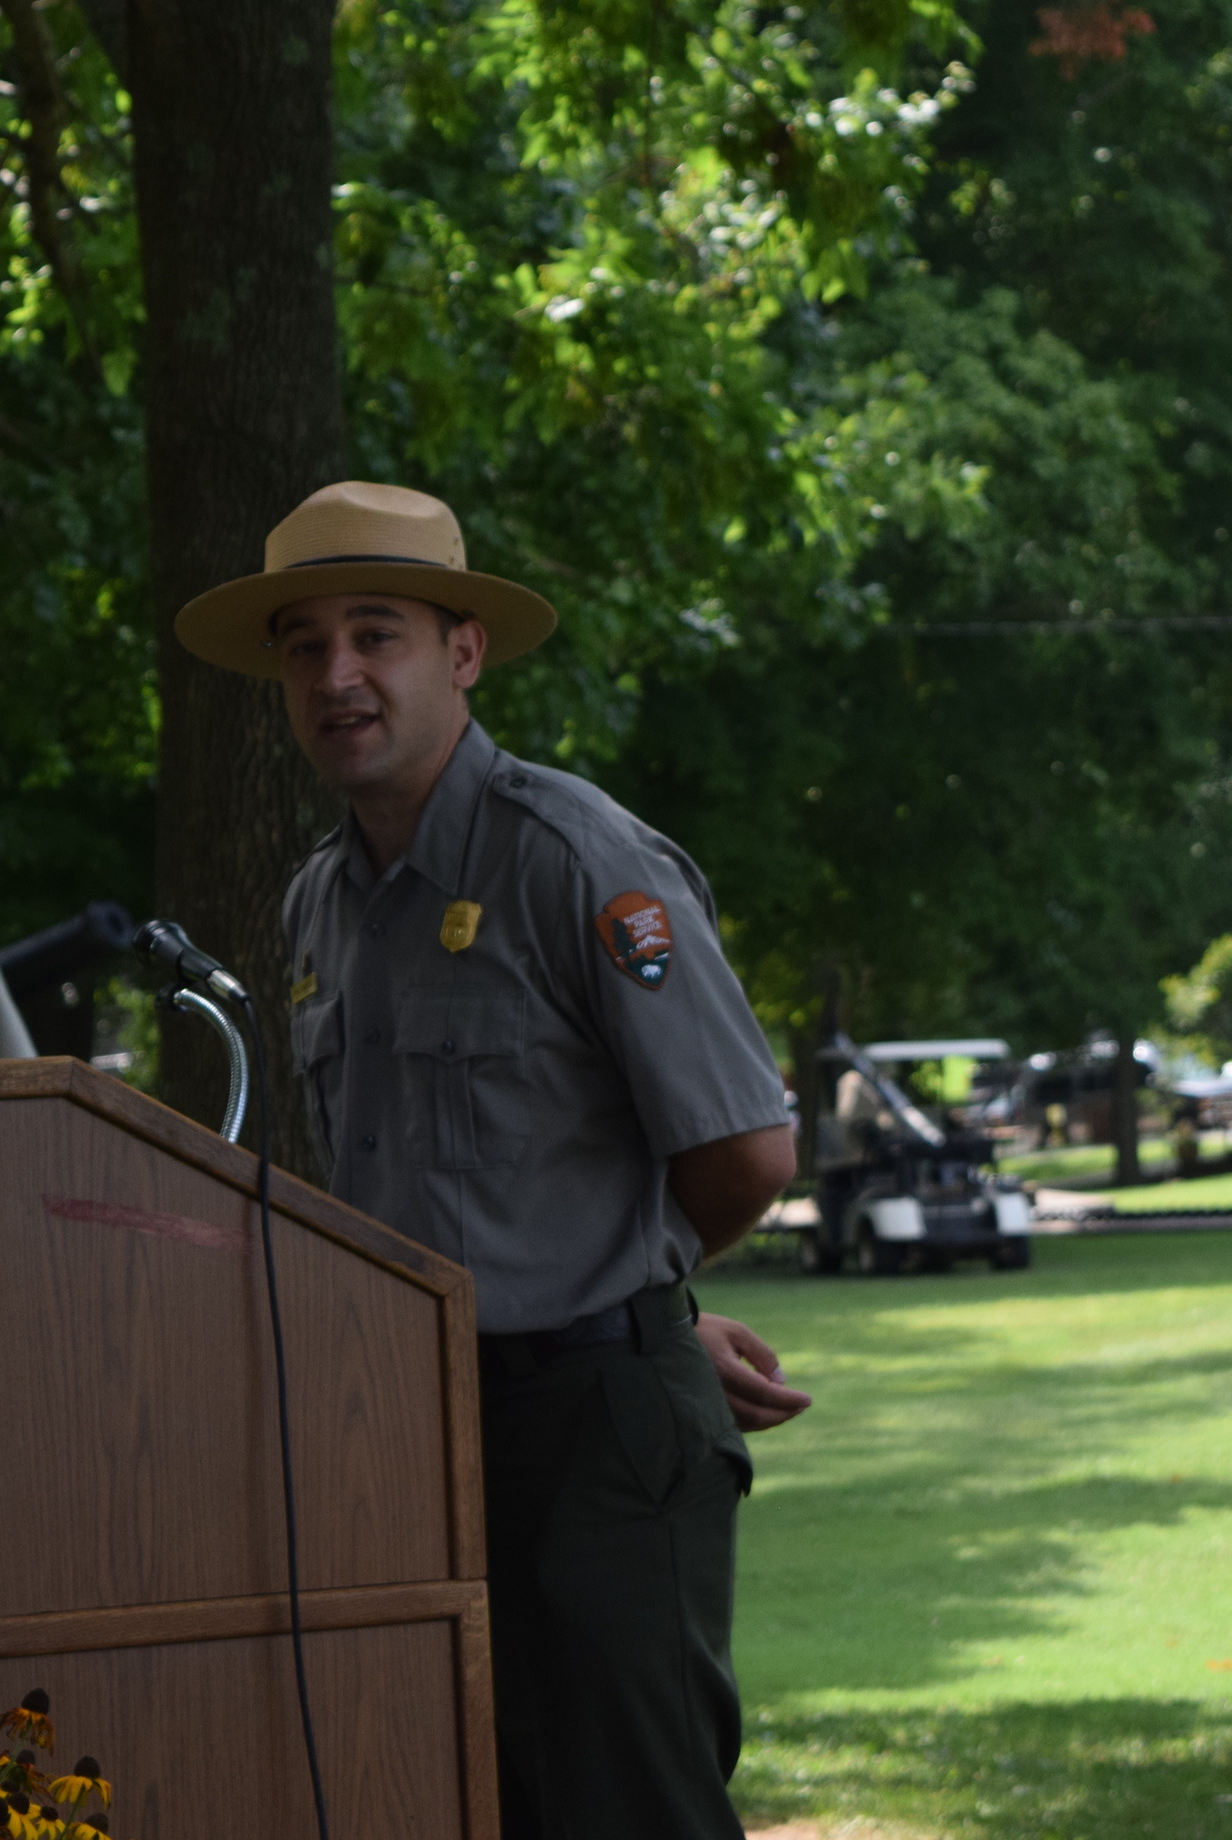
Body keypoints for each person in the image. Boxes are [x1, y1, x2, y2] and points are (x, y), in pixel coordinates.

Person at [173, 480, 813, 1840]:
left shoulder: (574, 856)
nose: (337, 674)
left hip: (594, 1447)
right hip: (406, 1433)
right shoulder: (319, 902)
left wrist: (626, 1312)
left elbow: (746, 1150)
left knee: (626, 1814)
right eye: (304, 645)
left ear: (462, 651)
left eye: (377, 633)